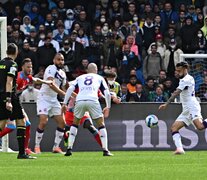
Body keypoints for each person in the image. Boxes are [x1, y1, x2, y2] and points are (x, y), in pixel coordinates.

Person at [0, 58, 52, 155]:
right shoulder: (19, 77)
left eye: (31, 67)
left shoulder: (28, 77)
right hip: (9, 100)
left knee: (24, 124)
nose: (30, 69)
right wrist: (8, 101)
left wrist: (47, 82)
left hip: (13, 101)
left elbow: (36, 80)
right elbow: (9, 86)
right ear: (22, 67)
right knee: (12, 125)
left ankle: (25, 149)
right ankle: (24, 149)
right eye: (28, 67)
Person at [62, 63, 113, 156]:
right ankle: (105, 150)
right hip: (93, 100)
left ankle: (69, 149)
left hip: (80, 100)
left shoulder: (80, 77)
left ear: (87, 70)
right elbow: (107, 93)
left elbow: (69, 89)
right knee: (101, 124)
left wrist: (64, 103)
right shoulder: (99, 78)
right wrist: (108, 106)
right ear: (96, 70)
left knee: (75, 123)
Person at [158, 61, 207, 154]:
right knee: (174, 128)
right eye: (176, 70)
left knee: (200, 126)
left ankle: (180, 149)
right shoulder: (184, 78)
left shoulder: (186, 79)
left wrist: (166, 104)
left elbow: (176, 92)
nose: (177, 72)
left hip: (192, 106)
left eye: (179, 71)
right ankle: (180, 149)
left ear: (185, 70)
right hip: (186, 109)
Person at [0, 43, 35, 159]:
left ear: (6, 52)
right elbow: (9, 82)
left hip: (0, 95)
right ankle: (22, 153)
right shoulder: (13, 65)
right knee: (21, 122)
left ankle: (22, 153)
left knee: (2, 124)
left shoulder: (0, 63)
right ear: (16, 53)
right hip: (10, 96)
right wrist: (8, 99)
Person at [34, 53, 67, 154]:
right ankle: (37, 146)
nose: (60, 62)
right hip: (44, 98)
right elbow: (51, 84)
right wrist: (62, 93)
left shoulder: (63, 73)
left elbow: (65, 87)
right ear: (54, 60)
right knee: (43, 121)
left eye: (62, 60)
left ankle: (56, 147)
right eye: (58, 59)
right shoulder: (51, 68)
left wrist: (73, 95)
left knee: (62, 122)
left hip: (54, 99)